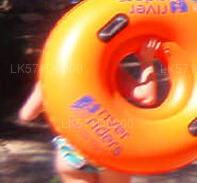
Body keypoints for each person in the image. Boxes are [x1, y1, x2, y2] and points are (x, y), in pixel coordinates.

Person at [19, 38, 161, 183]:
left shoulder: (51, 77)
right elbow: (147, 97)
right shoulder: (109, 71)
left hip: (73, 151)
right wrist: (146, 61)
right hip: (111, 148)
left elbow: (27, 115)